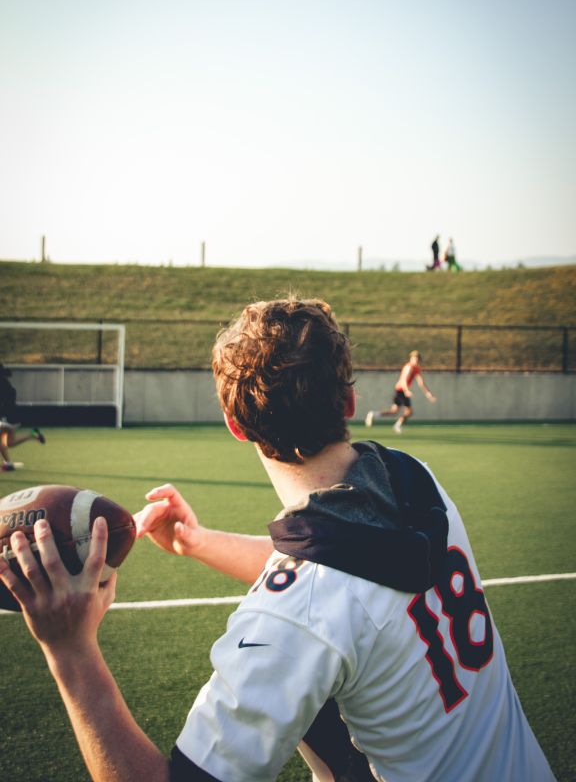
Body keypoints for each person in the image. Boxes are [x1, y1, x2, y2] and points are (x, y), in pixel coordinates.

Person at [0, 297, 556, 782]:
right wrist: (196, 541)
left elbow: (322, 596)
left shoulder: (300, 612)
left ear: (235, 425)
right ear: (348, 402)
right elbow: (343, 579)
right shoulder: (413, 477)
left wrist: (69, 651)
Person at [365, 349, 436, 433]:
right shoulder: (408, 367)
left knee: (394, 411)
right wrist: (406, 390)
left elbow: (421, 383)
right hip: (400, 390)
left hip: (402, 391)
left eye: (417, 358)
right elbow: (403, 380)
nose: (416, 360)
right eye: (414, 358)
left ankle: (374, 414)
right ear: (411, 358)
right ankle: (397, 426)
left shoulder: (417, 368)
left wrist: (428, 393)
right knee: (408, 412)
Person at [0, 363, 45, 470]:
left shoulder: (2, 385)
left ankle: (8, 463)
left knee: (2, 441)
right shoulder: (7, 384)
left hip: (7, 417)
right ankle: (32, 435)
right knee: (9, 443)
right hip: (14, 416)